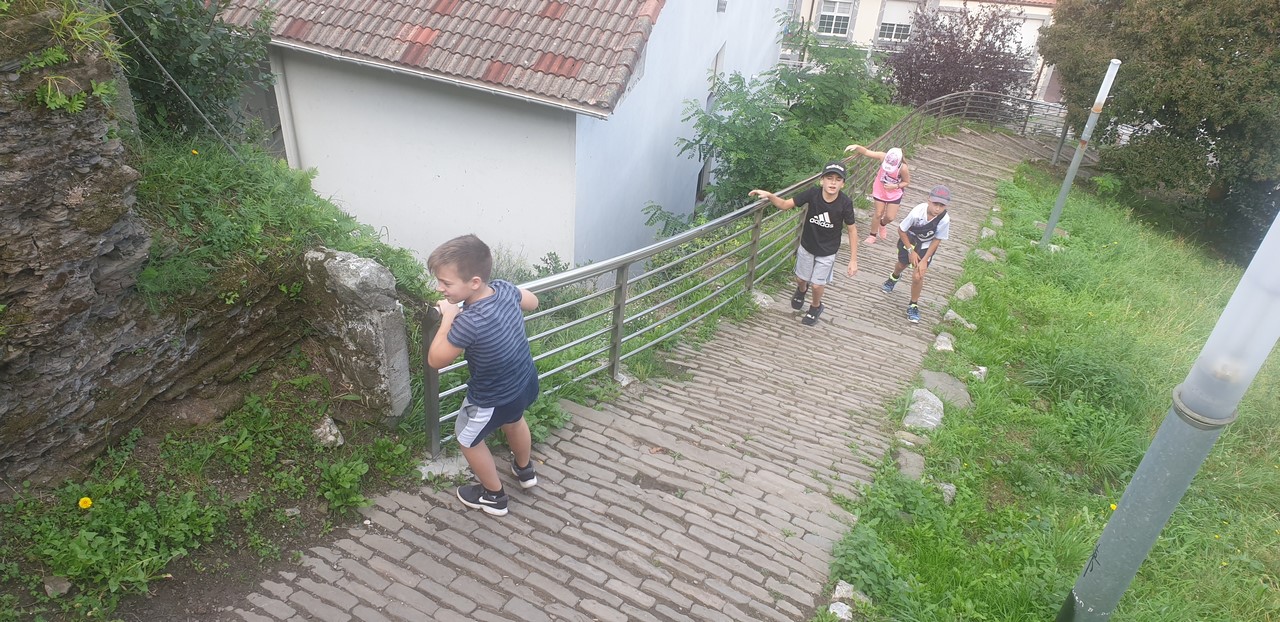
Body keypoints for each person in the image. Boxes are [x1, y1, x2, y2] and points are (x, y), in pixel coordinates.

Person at [426, 234, 540, 517]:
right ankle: (525, 471)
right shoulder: (503, 289)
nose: (440, 288)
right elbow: (533, 302)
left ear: (474, 282)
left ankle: (494, 496)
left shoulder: (469, 321)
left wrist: (449, 316)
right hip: (523, 382)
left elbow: (435, 359)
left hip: (491, 398)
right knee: (515, 420)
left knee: (467, 439)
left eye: (446, 283)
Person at [749, 161, 859, 326]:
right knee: (801, 279)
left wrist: (853, 260)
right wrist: (770, 196)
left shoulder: (845, 203)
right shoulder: (812, 194)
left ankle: (815, 307)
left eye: (838, 179)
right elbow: (785, 205)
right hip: (808, 245)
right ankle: (801, 290)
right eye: (829, 178)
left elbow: (852, 230)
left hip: (828, 251)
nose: (833, 183)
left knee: (817, 285)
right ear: (822, 181)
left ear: (843, 184)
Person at [881, 185, 952, 323]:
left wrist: (924, 260)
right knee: (902, 265)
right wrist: (910, 251)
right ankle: (894, 277)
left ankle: (913, 304)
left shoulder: (944, 219)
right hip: (909, 239)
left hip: (926, 245)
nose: (937, 208)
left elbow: (937, 239)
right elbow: (901, 230)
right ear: (929, 200)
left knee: (918, 275)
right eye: (935, 204)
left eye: (942, 205)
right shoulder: (917, 212)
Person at [844, 144, 911, 245]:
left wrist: (895, 186)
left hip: (894, 193)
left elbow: (906, 182)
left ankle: (882, 224)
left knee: (890, 217)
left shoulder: (903, 168)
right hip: (880, 190)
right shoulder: (882, 156)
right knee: (878, 213)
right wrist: (856, 147)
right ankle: (872, 235)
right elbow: (867, 152)